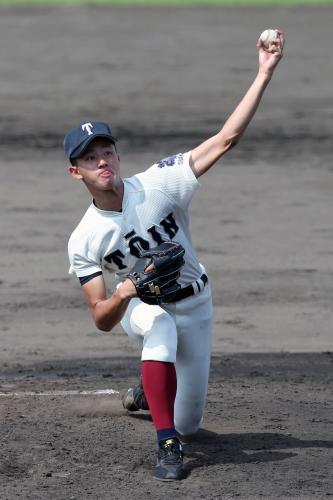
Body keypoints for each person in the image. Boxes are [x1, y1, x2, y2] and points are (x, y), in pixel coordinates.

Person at [64, 32, 284, 481]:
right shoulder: (84, 238)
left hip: (197, 302)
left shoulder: (159, 184)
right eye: (90, 158)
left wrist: (264, 72)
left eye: (106, 151)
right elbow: (102, 318)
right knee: (158, 328)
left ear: (118, 154)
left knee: (191, 423)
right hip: (143, 308)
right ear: (76, 171)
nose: (102, 161)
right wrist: (126, 291)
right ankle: (167, 447)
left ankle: (150, 392)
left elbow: (226, 139)